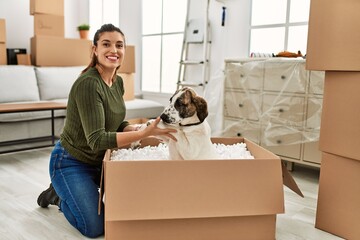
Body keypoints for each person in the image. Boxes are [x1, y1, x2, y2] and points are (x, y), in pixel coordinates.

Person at [36, 23, 177, 238]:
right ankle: (57, 197)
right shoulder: (88, 85)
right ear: (95, 49)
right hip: (71, 162)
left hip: (101, 162)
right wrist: (142, 135)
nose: (114, 50)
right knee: (94, 227)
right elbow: (97, 139)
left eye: (119, 45)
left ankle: (77, 190)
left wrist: (139, 127)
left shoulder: (117, 82)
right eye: (106, 44)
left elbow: (115, 123)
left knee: (129, 208)